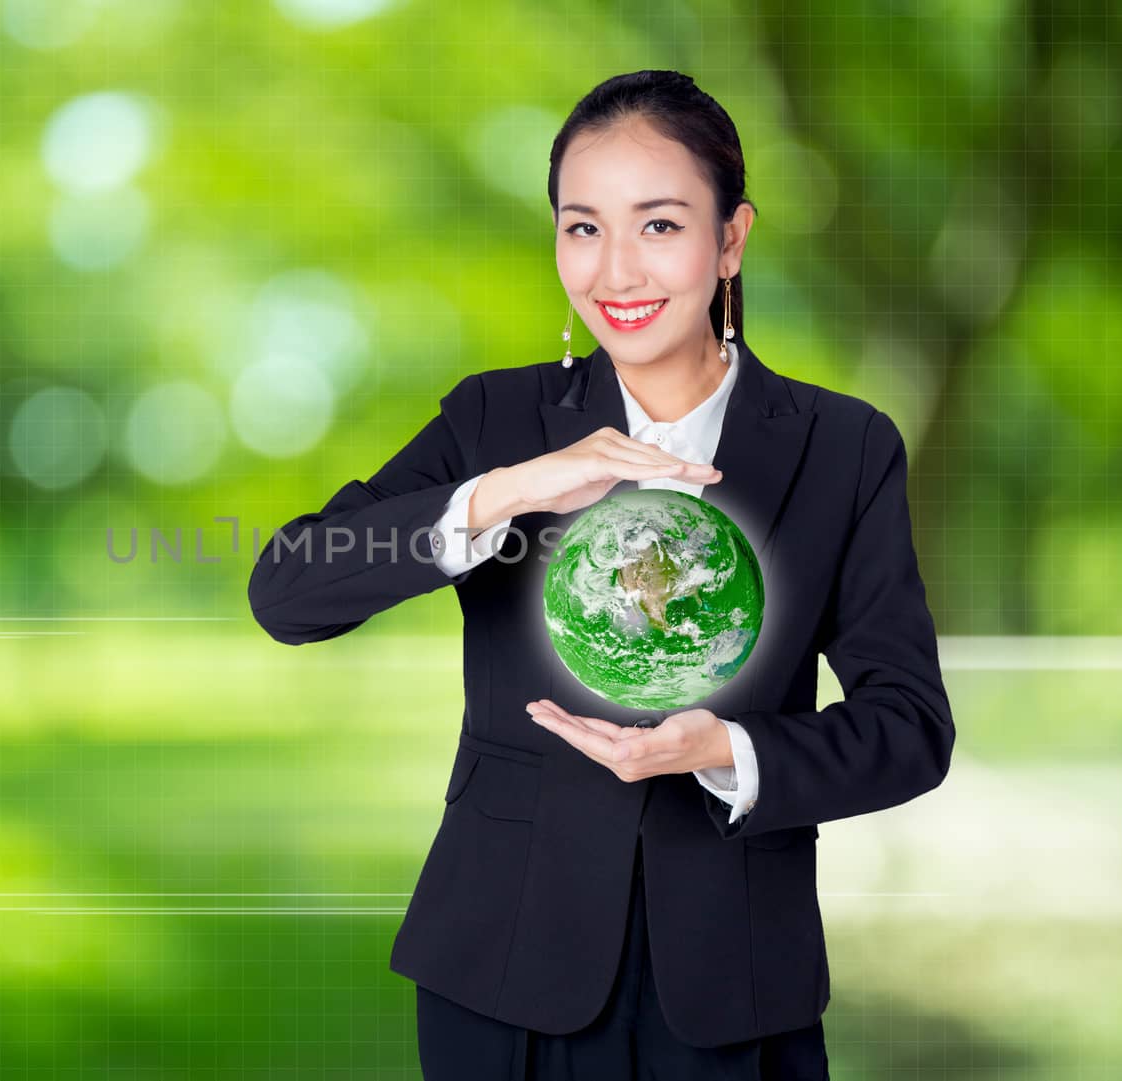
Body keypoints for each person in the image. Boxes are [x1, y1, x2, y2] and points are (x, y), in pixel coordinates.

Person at [247, 69, 954, 1080]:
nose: (614, 268)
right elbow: (286, 589)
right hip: (496, 974)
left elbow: (908, 727)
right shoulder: (494, 423)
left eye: (658, 225)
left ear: (731, 239)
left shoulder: (842, 448)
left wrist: (728, 750)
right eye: (581, 228)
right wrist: (502, 492)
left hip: (734, 987)